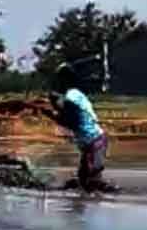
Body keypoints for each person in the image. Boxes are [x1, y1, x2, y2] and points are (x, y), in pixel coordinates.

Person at [43, 63, 112, 192]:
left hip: (93, 142)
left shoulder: (70, 98)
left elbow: (70, 121)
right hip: (95, 141)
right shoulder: (76, 94)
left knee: (90, 182)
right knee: (85, 180)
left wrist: (50, 114)